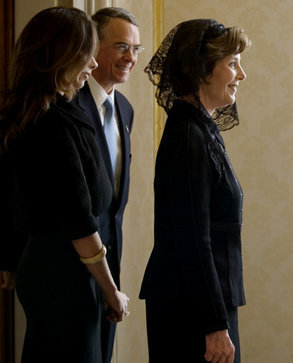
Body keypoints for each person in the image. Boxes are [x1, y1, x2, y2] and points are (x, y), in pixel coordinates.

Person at [0, 7, 129, 362]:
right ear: (64, 54)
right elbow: (78, 219)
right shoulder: (54, 123)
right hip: (65, 277)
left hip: (51, 271)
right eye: (87, 53)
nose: (91, 64)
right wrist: (110, 290)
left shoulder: (38, 112)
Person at [139, 19, 251, 363]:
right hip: (191, 312)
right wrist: (214, 325)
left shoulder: (200, 128)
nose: (241, 74)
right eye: (232, 63)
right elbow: (192, 238)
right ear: (202, 69)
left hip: (201, 303)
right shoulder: (189, 135)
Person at [72, 7, 141, 362]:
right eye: (120, 46)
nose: (130, 57)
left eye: (135, 49)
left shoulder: (126, 109)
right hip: (69, 266)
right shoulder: (69, 104)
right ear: (93, 46)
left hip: (110, 261)